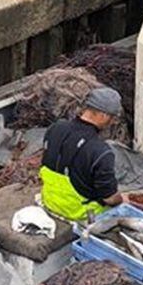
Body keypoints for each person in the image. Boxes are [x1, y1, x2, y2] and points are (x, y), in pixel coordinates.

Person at [39, 86, 126, 221]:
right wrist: (123, 199)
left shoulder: (56, 127)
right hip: (78, 212)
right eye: (113, 118)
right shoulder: (101, 151)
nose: (113, 122)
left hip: (50, 200)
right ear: (103, 115)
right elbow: (109, 198)